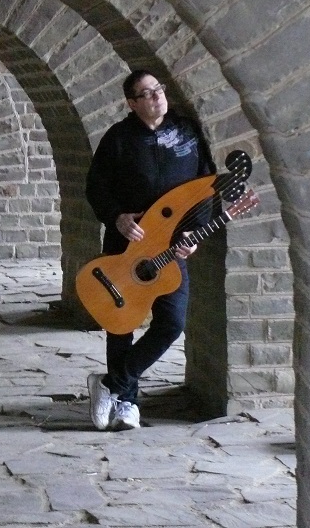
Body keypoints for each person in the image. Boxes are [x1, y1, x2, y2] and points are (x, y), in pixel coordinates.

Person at [84, 69, 215, 431]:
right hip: (126, 246)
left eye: (158, 89)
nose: (157, 96)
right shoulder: (119, 139)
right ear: (132, 103)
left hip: (171, 250)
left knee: (172, 322)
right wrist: (116, 217)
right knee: (120, 323)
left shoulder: (186, 133)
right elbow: (96, 188)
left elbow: (205, 187)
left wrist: (194, 234)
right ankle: (127, 404)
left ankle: (111, 384)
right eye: (146, 93)